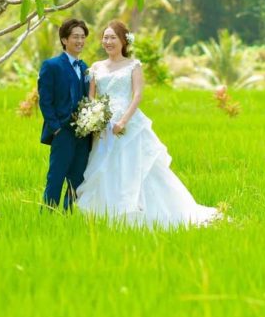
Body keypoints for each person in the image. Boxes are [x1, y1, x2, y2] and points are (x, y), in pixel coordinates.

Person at [75, 20, 221, 228]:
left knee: (135, 166)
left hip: (129, 124)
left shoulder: (133, 65)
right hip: (103, 127)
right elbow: (91, 97)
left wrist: (123, 121)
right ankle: (107, 214)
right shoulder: (96, 67)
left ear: (123, 41)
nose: (108, 42)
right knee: (105, 168)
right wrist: (94, 118)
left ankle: (142, 211)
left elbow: (137, 95)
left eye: (112, 38)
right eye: (105, 38)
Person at [37, 18, 91, 210]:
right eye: (75, 37)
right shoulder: (51, 66)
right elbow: (45, 100)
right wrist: (56, 128)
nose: (80, 41)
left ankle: (68, 216)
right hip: (63, 131)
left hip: (83, 134)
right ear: (64, 40)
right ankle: (47, 216)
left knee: (77, 179)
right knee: (56, 177)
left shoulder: (85, 68)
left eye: (83, 37)